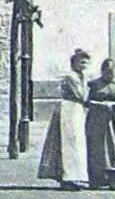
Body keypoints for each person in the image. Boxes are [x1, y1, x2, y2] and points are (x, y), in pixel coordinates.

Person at [37, 49, 90, 190]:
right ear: (74, 63)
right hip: (69, 110)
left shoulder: (81, 77)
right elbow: (81, 95)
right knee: (68, 142)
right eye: (81, 62)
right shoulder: (72, 77)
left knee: (76, 143)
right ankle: (68, 177)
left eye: (86, 63)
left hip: (77, 110)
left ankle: (75, 176)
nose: (84, 66)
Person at [85, 58, 115, 191]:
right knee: (99, 150)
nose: (109, 74)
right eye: (106, 71)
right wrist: (100, 105)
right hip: (98, 122)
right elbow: (86, 101)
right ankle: (97, 179)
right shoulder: (94, 84)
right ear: (102, 71)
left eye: (111, 72)